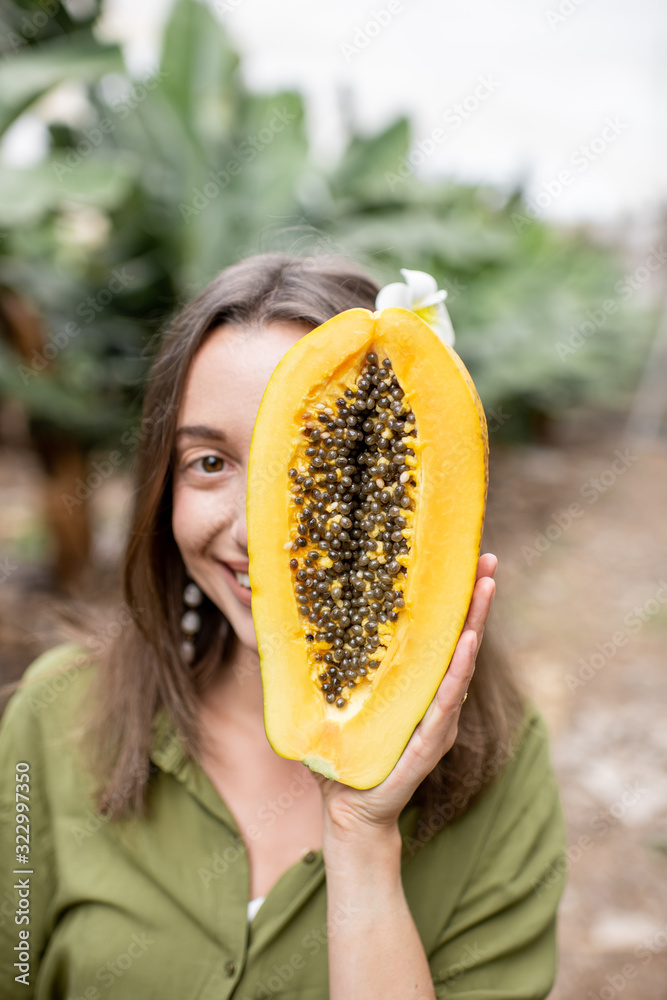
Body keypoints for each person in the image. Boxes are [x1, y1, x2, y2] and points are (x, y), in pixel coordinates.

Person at [0, 253, 566, 999]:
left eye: (305, 461)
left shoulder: (506, 768)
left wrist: (361, 840)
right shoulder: (51, 717)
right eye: (208, 462)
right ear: (161, 486)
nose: (255, 529)